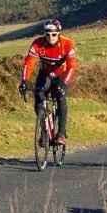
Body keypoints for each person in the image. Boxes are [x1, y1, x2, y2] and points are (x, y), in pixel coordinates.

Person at [19, 18, 77, 146]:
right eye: (47, 34)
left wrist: (65, 84)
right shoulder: (37, 44)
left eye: (54, 34)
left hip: (60, 74)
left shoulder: (67, 44)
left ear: (58, 33)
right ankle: (44, 132)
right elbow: (29, 63)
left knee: (60, 97)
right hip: (44, 74)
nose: (50, 37)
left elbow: (72, 66)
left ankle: (61, 133)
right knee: (39, 98)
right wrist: (24, 81)